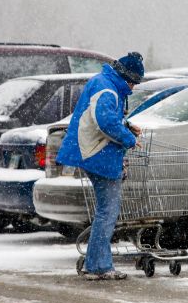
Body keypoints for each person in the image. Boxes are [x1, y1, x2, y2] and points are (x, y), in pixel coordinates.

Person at [55, 51, 144, 280]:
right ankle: (99, 266)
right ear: (125, 77)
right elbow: (105, 122)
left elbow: (104, 117)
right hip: (96, 154)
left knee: (105, 211)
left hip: (91, 152)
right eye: (133, 82)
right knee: (108, 211)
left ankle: (95, 264)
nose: (133, 88)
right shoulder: (107, 89)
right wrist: (129, 138)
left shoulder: (104, 82)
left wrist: (126, 125)